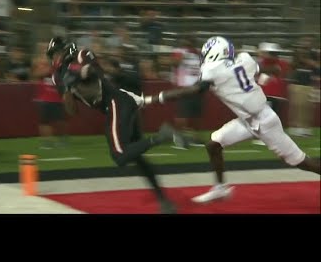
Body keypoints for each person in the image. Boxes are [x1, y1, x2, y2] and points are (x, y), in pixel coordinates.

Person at [140, 36, 320, 203]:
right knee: (213, 144)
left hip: (264, 122)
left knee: (301, 162)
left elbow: (193, 90)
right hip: (248, 120)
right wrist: (273, 71)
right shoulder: (244, 59)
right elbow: (267, 69)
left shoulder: (213, 69)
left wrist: (151, 99)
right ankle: (221, 189)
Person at [46, 37, 177, 214]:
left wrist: (76, 76)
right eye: (52, 56)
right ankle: (163, 200)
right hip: (113, 108)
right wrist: (68, 91)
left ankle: (162, 136)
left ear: (65, 49)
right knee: (135, 157)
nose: (54, 59)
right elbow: (72, 111)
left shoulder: (82, 55)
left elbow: (93, 72)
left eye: (56, 54)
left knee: (120, 155)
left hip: (117, 101)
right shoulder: (57, 77)